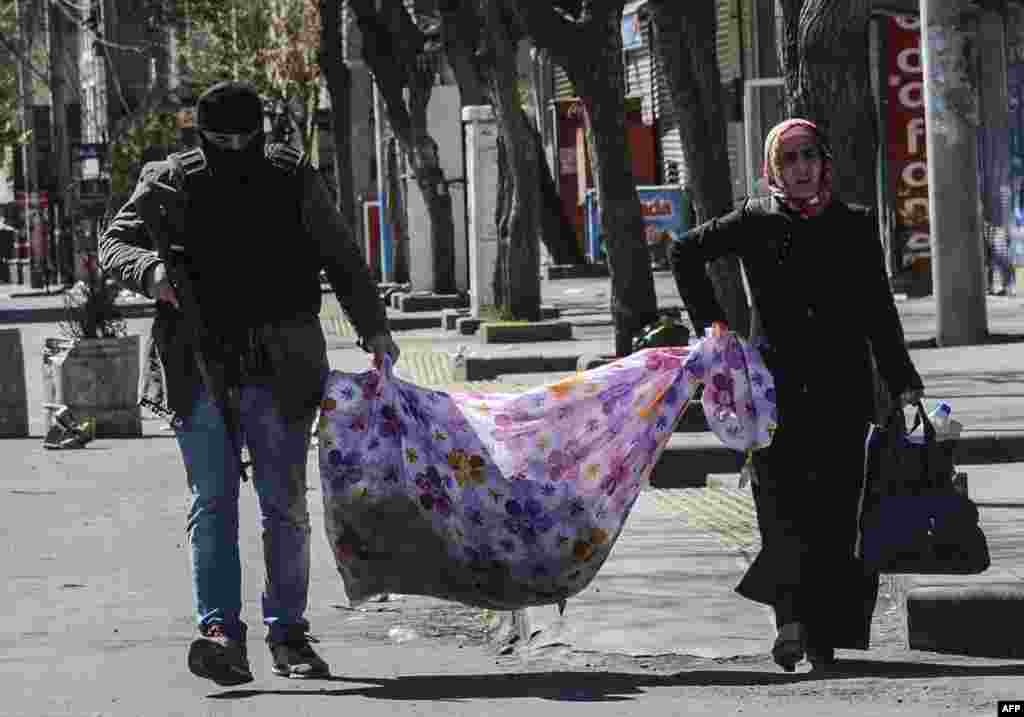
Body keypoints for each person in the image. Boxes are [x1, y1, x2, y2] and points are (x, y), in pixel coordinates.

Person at [99, 80, 399, 686]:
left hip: (282, 364)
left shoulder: (292, 176)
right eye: (221, 139)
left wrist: (375, 330)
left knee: (283, 504)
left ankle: (288, 632)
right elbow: (114, 242)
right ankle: (220, 634)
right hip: (196, 365)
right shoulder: (169, 179)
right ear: (200, 135)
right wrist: (150, 270)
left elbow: (342, 256)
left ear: (262, 131)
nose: (236, 147)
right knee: (212, 502)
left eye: (247, 137)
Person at [669, 118, 924, 672]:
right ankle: (789, 620)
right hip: (773, 390)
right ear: (773, 167)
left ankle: (824, 636)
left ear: (824, 161)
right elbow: (684, 253)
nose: (802, 167)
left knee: (836, 512)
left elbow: (879, 309)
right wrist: (712, 324)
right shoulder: (756, 219)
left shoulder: (853, 224)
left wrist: (903, 380)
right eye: (790, 158)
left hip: (843, 389)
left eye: (810, 155)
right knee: (780, 506)